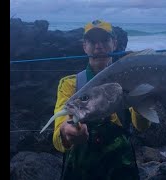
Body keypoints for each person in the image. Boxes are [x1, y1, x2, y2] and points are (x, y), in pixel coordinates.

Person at [52, 19, 151, 180]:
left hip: (121, 169)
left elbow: (141, 126)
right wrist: (66, 132)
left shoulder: (130, 78)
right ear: (84, 46)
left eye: (105, 40)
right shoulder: (70, 84)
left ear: (114, 43)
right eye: (92, 41)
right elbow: (58, 139)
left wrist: (144, 99)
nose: (99, 46)